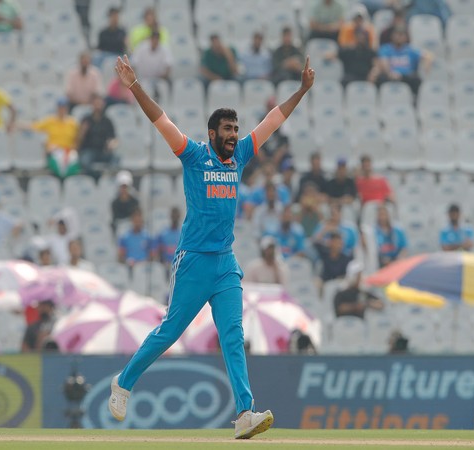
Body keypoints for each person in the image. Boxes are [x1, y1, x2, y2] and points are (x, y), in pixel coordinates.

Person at [108, 52, 314, 439]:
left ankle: (244, 414)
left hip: (224, 263)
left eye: (236, 128)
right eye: (228, 129)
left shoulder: (240, 157)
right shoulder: (194, 155)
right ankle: (123, 382)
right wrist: (135, 85)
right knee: (170, 332)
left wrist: (301, 90)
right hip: (194, 262)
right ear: (213, 133)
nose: (235, 134)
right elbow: (161, 120)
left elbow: (273, 120)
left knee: (233, 333)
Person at [32, 97, 80, 179]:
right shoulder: (50, 121)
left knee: (72, 160)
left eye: (64, 107)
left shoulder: (73, 122)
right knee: (57, 161)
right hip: (55, 149)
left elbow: (77, 138)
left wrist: (74, 147)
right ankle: (59, 179)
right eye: (60, 107)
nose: (62, 109)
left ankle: (67, 180)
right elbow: (34, 126)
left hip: (68, 150)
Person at [377, 27, 431, 95]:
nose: (398, 37)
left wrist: (426, 67)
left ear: (405, 37)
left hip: (406, 77)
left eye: (401, 35)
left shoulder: (410, 50)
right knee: (380, 79)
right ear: (392, 37)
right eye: (396, 35)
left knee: (416, 80)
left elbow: (427, 55)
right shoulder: (386, 49)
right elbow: (383, 61)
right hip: (391, 76)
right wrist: (390, 73)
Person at [76, 94, 117, 179]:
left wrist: (112, 144)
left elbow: (113, 138)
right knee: (84, 161)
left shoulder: (107, 121)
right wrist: (82, 132)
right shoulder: (86, 120)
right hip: (89, 150)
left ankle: (108, 178)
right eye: (96, 103)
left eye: (99, 103)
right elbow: (79, 140)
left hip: (103, 151)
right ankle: (97, 177)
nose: (98, 106)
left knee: (117, 160)